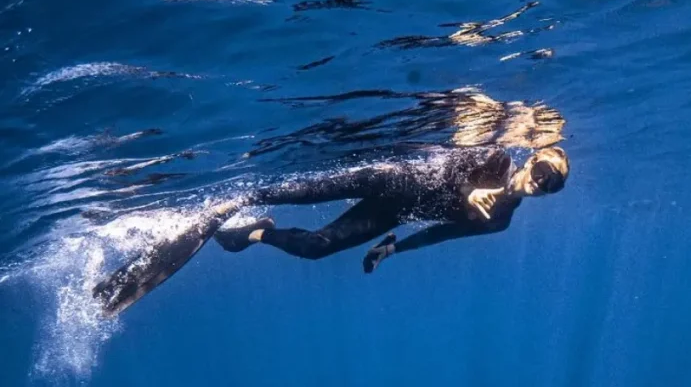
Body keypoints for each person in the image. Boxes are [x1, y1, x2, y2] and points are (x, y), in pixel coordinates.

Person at [92, 144, 569, 316]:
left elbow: (441, 233)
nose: (541, 181)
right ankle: (232, 202)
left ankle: (248, 234)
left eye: (551, 187)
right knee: (285, 191)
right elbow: (456, 162)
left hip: (390, 216)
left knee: (318, 248)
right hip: (387, 178)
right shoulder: (499, 155)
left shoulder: (501, 221)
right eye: (544, 170)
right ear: (534, 157)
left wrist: (393, 249)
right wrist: (468, 192)